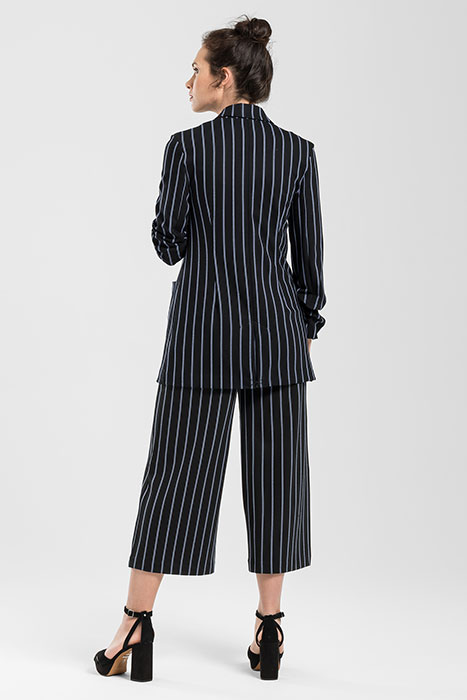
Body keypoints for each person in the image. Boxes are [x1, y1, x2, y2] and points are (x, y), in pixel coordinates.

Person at [94, 14, 326, 682]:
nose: (188, 81)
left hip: (201, 337)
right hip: (278, 339)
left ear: (224, 78)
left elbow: (168, 243)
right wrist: (302, 328)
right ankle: (269, 628)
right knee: (276, 482)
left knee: (173, 480)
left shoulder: (187, 148)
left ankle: (135, 624)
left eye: (196, 69)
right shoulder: (297, 153)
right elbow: (310, 267)